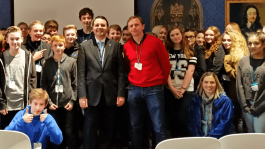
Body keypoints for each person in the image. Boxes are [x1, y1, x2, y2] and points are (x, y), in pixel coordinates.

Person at [78, 16, 126, 149]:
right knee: (89, 129)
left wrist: (121, 94)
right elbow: (81, 73)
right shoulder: (84, 46)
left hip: (111, 95)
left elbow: (120, 72)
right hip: (91, 95)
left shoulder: (115, 46)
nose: (100, 27)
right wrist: (82, 96)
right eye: (97, 25)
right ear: (93, 28)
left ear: (107, 28)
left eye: (103, 25)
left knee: (108, 128)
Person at [123, 16, 170, 149]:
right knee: (135, 125)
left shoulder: (155, 42)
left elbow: (166, 65)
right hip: (134, 90)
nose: (134, 28)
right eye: (131, 26)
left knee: (159, 125)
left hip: (154, 89)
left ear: (143, 26)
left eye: (136, 25)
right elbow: (127, 67)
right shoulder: (126, 47)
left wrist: (161, 82)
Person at [0, 26, 37, 129]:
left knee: (24, 134)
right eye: (12, 39)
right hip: (7, 106)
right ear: (7, 40)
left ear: (22, 39)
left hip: (24, 104)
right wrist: (1, 103)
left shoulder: (28, 56)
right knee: (8, 135)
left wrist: (31, 100)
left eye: (17, 39)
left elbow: (33, 79)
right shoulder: (0, 57)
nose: (15, 41)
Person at [41, 35, 77, 149]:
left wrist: (72, 101)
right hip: (53, 105)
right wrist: (49, 102)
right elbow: (43, 85)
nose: (58, 48)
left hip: (67, 104)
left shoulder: (72, 61)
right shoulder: (46, 63)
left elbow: (75, 84)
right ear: (51, 46)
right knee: (54, 132)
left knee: (69, 131)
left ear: (65, 46)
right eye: (55, 45)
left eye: (60, 45)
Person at [164, 26, 196, 137]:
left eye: (177, 34)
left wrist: (182, 89)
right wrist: (172, 88)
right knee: (171, 120)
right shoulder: (166, 51)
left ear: (181, 34)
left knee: (183, 119)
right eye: (172, 35)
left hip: (187, 90)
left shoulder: (191, 50)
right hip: (170, 90)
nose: (175, 37)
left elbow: (190, 71)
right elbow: (166, 71)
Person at [189, 72, 234, 138]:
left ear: (216, 84)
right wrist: (199, 138)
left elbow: (224, 124)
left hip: (219, 139)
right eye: (206, 82)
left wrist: (209, 138)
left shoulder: (225, 101)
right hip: (199, 139)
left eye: (212, 82)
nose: (209, 85)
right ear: (202, 83)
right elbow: (192, 122)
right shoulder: (195, 100)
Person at [237, 31, 265, 133]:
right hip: (247, 105)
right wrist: (244, 105)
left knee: (259, 134)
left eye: (256, 43)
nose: (252, 46)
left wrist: (258, 107)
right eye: (250, 43)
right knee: (250, 133)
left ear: (263, 44)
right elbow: (239, 84)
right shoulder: (243, 61)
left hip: (262, 106)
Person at [222, 30, 248, 132]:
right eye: (224, 40)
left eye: (229, 40)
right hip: (233, 93)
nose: (226, 42)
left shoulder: (237, 55)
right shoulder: (230, 53)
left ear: (235, 41)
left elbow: (237, 75)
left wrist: (227, 64)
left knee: (239, 122)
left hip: (239, 94)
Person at [22, 20, 53, 88]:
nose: (38, 33)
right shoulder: (23, 48)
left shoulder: (48, 47)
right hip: (29, 84)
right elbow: (20, 68)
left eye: (41, 31)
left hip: (44, 83)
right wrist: (33, 59)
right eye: (35, 31)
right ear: (29, 32)